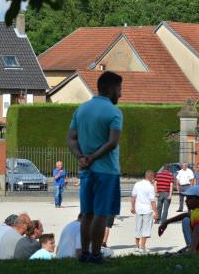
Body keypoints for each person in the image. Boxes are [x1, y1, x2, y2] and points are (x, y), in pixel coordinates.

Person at [67, 71, 123, 264]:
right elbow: (113, 142)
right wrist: (94, 156)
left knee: (87, 213)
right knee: (101, 213)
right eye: (119, 89)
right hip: (106, 171)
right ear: (110, 89)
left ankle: (84, 253)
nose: (121, 94)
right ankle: (96, 255)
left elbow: (71, 138)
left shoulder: (81, 110)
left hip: (86, 171)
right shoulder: (114, 112)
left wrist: (81, 157)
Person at [158, 185, 199, 254]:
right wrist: (167, 222)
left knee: (185, 221)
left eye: (189, 198)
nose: (186, 201)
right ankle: (189, 247)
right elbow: (186, 215)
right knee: (186, 219)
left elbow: (197, 232)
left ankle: (191, 248)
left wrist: (191, 251)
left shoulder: (196, 212)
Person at [131, 170, 158, 254]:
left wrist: (132, 207)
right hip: (147, 209)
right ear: (151, 177)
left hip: (138, 208)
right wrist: (156, 212)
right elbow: (152, 201)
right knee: (146, 228)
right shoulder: (150, 187)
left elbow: (133, 197)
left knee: (138, 227)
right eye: (153, 177)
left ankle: (136, 246)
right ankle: (142, 247)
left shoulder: (137, 184)